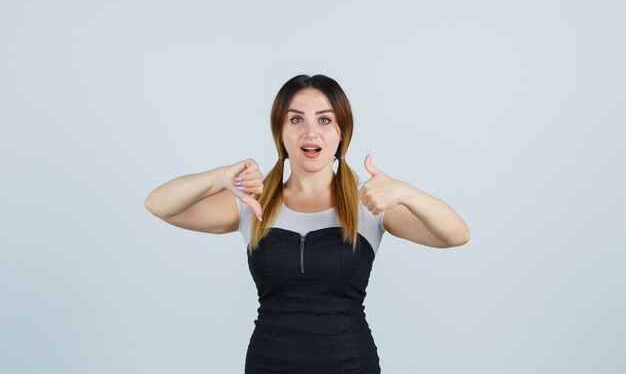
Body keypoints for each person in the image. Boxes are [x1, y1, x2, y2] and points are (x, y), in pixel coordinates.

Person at [144, 74, 471, 374]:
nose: (310, 132)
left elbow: (456, 234)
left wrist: (404, 192)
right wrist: (218, 177)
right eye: (296, 119)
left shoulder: (369, 205)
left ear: (341, 133)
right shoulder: (253, 204)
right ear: (280, 132)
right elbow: (158, 205)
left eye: (325, 120)